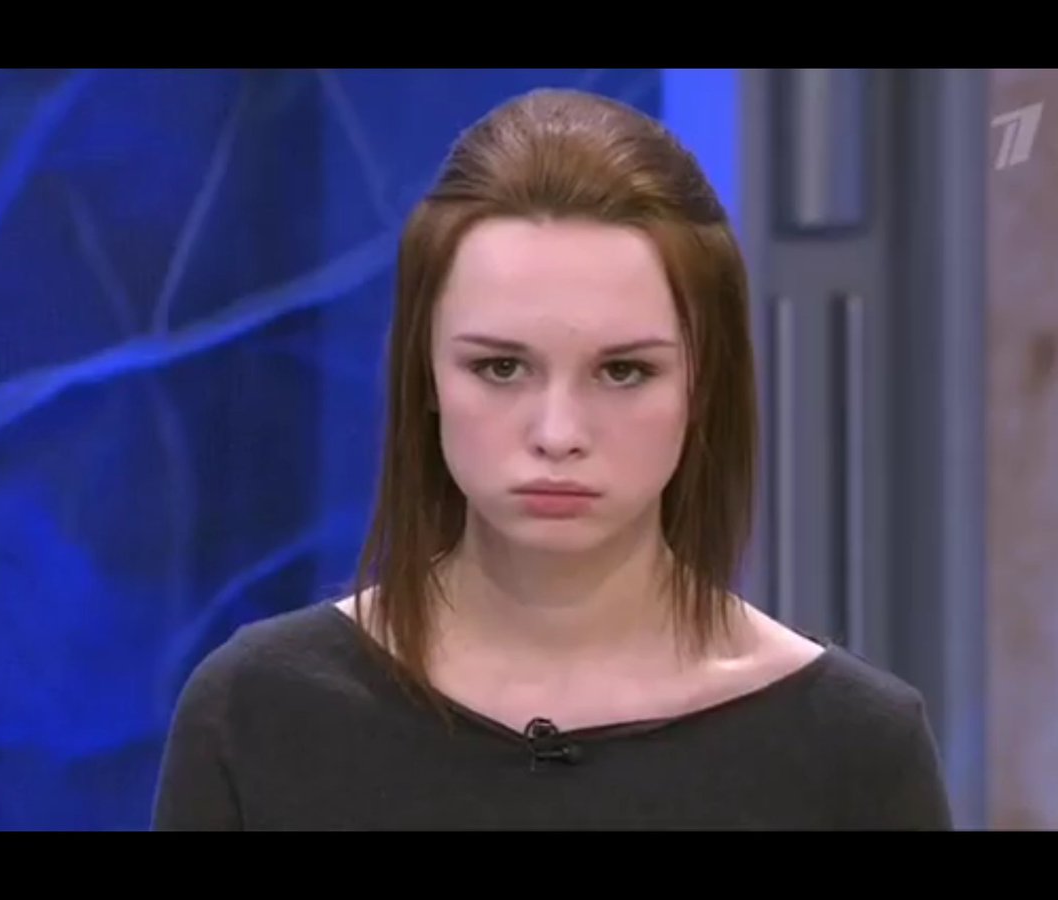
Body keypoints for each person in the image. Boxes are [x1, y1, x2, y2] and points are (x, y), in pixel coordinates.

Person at [150, 87, 954, 831]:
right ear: (426, 377)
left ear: (704, 385)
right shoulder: (257, 714)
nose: (558, 432)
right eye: (501, 367)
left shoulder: (854, 751)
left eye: (623, 371)